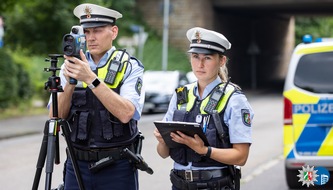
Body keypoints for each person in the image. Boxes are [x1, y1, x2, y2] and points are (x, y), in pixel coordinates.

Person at [48, 3, 145, 190]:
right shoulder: (70, 65)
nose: (90, 38)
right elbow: (54, 116)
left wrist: (91, 78)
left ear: (114, 31)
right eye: (86, 32)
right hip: (77, 164)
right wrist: (70, 83)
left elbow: (126, 113)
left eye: (98, 31)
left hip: (117, 167)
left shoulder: (129, 66)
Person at [154, 27, 254, 190]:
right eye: (195, 57)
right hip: (179, 184)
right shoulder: (181, 95)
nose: (200, 64)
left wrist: (204, 150)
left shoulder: (234, 99)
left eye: (207, 58)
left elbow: (241, 156)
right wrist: (162, 141)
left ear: (221, 61)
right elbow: (163, 153)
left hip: (214, 185)